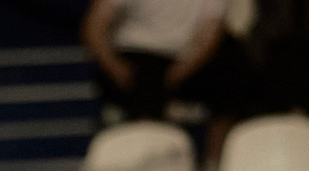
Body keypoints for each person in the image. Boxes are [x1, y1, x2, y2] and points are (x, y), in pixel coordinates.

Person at [82, 0, 254, 160]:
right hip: (137, 54)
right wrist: (116, 68)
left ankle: (215, 165)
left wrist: (177, 73)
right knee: (145, 82)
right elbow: (95, 26)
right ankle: (142, 158)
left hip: (186, 59)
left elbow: (210, 33)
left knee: (231, 72)